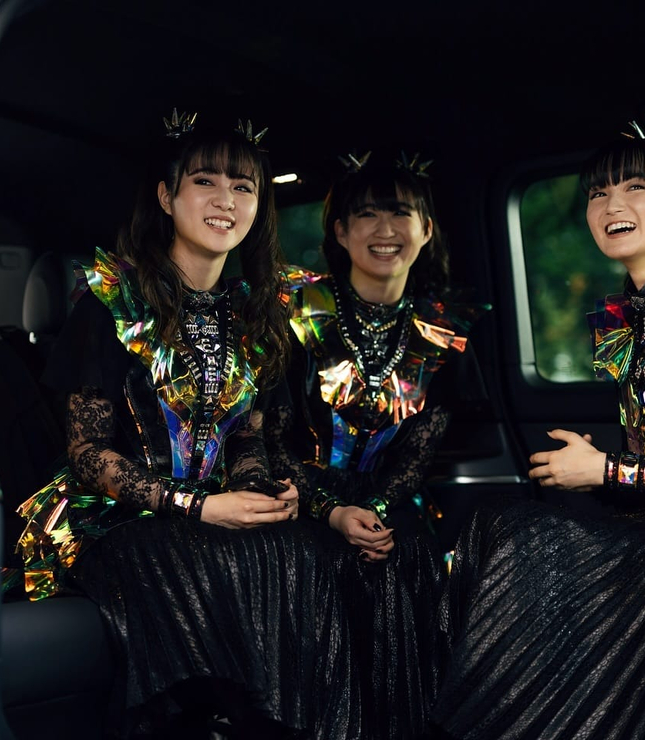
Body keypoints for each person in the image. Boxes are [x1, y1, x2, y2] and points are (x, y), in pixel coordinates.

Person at [428, 116, 645, 740]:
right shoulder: (638, 314)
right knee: (493, 529)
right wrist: (601, 469)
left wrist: (606, 470)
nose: (612, 205)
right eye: (598, 192)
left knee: (513, 538)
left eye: (634, 188)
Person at [12, 112, 355, 740]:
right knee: (186, 556)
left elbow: (247, 436)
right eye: (205, 182)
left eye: (244, 187)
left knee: (303, 549)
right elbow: (87, 454)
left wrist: (256, 491)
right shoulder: (112, 304)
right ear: (167, 198)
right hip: (115, 515)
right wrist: (197, 506)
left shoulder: (255, 313)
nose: (226, 200)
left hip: (212, 509)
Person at [264, 152, 490, 740]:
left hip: (388, 502)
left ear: (426, 230)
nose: (385, 229)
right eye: (366, 214)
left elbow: (419, 453)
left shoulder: (443, 330)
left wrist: (377, 510)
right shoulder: (295, 311)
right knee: (315, 564)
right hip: (298, 498)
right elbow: (270, 440)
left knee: (405, 559)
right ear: (340, 232)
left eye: (400, 213)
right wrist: (331, 511)